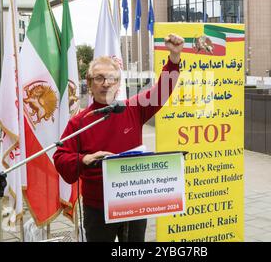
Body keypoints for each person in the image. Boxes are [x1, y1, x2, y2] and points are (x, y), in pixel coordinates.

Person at [53, 34, 184, 242]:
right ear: (89, 82)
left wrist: (174, 58)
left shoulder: (133, 108)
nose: (106, 83)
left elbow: (162, 91)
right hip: (97, 207)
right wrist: (84, 159)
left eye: (112, 78)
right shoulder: (78, 122)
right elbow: (60, 157)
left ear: (118, 83)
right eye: (99, 78)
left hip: (133, 202)